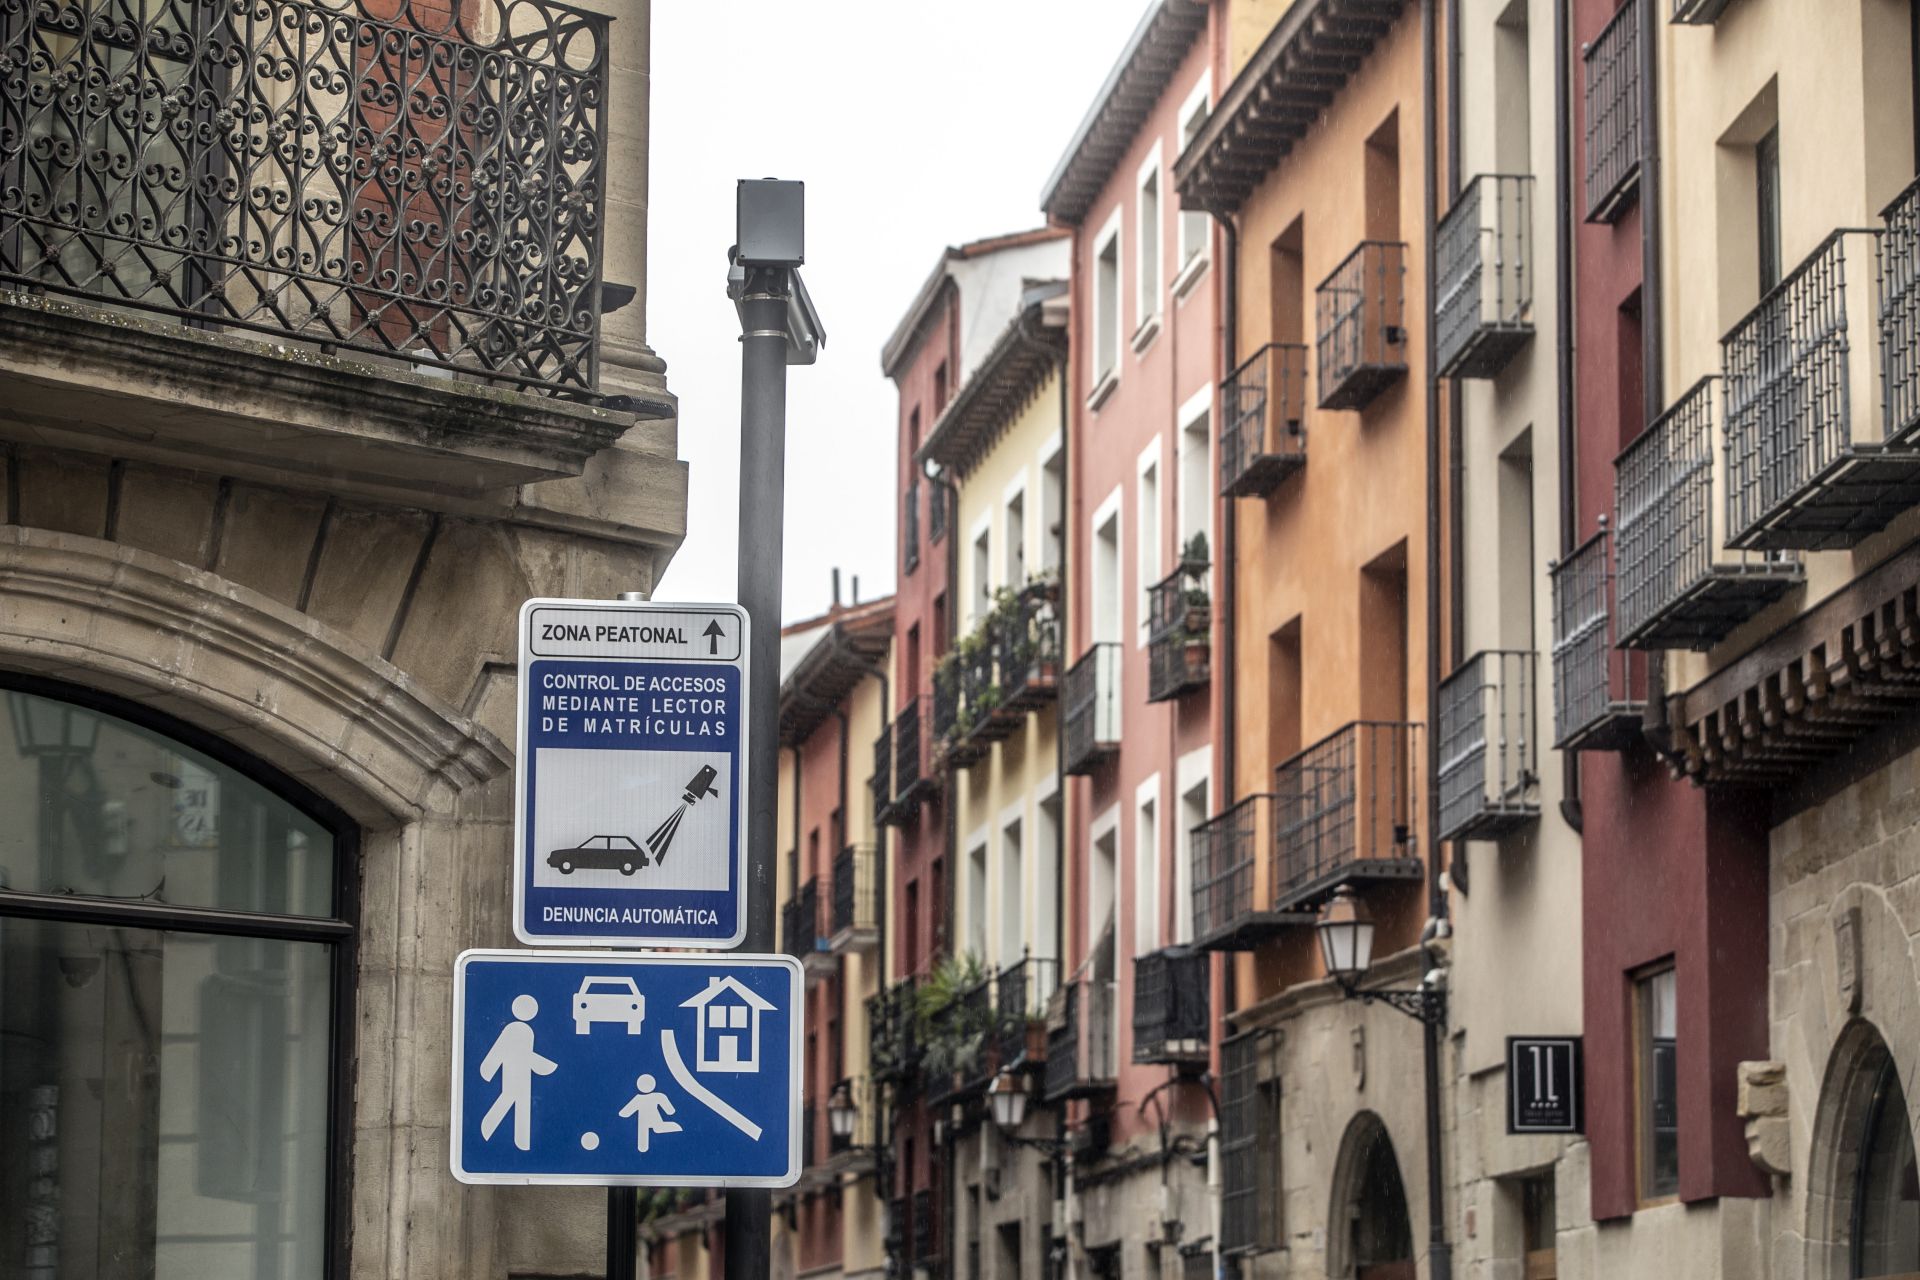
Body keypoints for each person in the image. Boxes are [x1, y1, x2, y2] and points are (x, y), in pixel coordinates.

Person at [480, 994, 558, 1151]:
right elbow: (499, 1050)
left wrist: (542, 1065)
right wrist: (488, 1070)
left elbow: (523, 1054)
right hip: (514, 1071)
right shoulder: (515, 1029)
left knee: (521, 1102)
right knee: (511, 1098)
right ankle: (490, 1130)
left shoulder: (526, 1031)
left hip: (523, 1074)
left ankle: (522, 1142)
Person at [619, 1073, 683, 1152]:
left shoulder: (639, 1099)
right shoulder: (658, 1096)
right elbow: (670, 1111)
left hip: (647, 1122)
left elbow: (625, 1113)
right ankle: (643, 1148)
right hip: (652, 1120)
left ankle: (643, 1148)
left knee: (647, 1133)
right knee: (655, 1129)